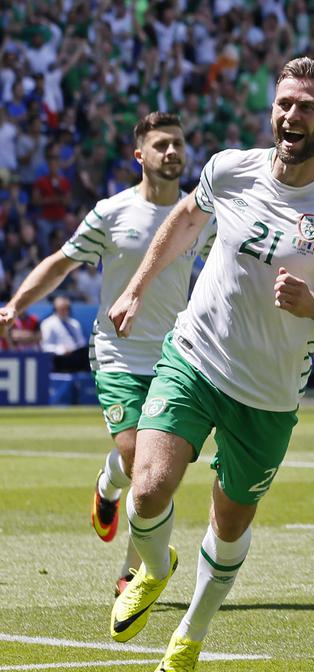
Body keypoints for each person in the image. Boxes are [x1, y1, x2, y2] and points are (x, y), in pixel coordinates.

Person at [105, 58, 314, 672]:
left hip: (268, 394)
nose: (293, 115)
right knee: (148, 489)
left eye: (307, 106)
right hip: (194, 357)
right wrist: (138, 288)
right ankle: (153, 567)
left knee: (229, 522)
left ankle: (188, 638)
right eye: (285, 102)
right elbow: (184, 222)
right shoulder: (230, 168)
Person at [0, 112, 213, 596]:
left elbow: (235, 263)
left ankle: (128, 564)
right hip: (116, 353)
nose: (172, 152)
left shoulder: (199, 217)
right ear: (140, 155)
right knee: (138, 455)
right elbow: (61, 262)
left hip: (175, 355)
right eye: (161, 144)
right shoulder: (111, 212)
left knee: (156, 472)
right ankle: (113, 499)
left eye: (178, 143)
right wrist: (15, 304)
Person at [40, 295, 90, 372]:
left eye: (66, 308)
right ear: (55, 309)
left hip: (75, 355)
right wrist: (60, 350)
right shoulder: (48, 324)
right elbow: (45, 346)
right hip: (59, 358)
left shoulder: (74, 323)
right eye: (61, 309)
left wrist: (74, 349)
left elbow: (81, 342)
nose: (64, 311)